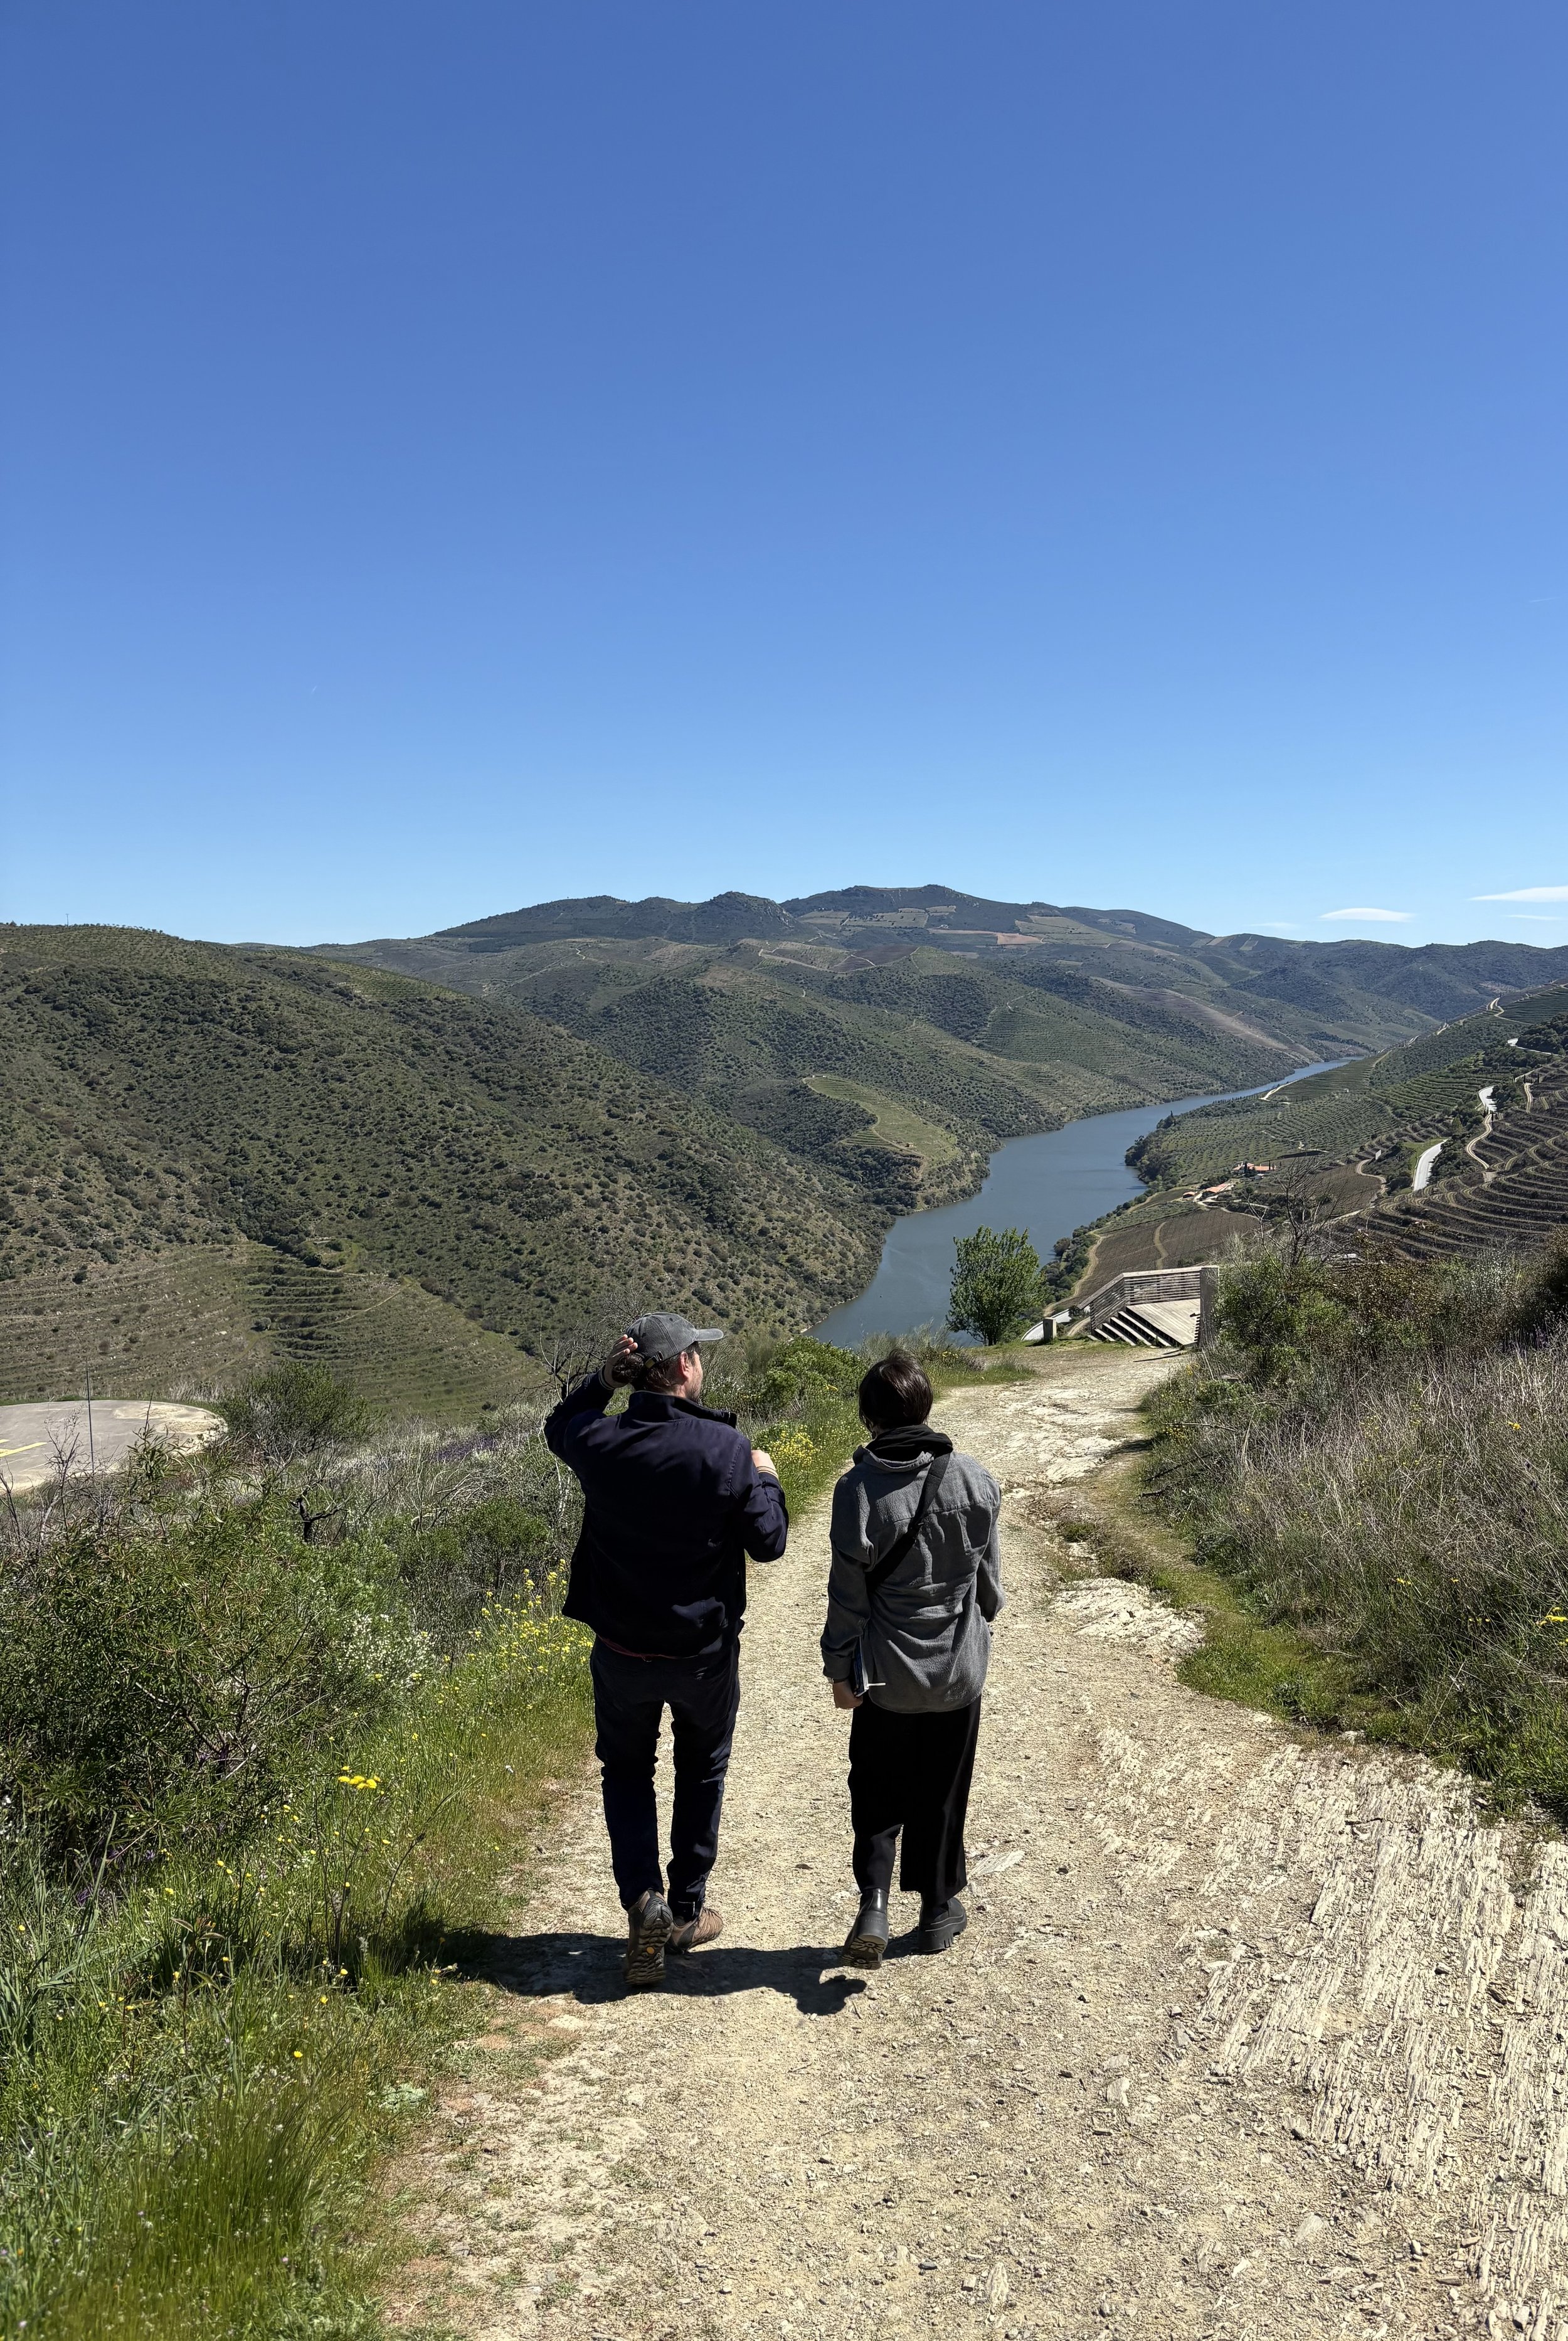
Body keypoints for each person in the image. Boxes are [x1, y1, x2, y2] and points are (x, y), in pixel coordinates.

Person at [545, 1312, 787, 1988]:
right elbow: (769, 1544)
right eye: (697, 1357)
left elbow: (557, 1428)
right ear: (683, 1366)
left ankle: (641, 1900)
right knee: (701, 1767)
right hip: (701, 1651)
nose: (701, 1366)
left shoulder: (600, 1441)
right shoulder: (726, 1450)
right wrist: (765, 1476)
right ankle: (683, 1911)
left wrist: (600, 1380)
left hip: (623, 1648)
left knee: (626, 1770)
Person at [820, 1351, 1003, 1962]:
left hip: (886, 1677)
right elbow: (990, 1594)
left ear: (869, 1418)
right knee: (942, 1790)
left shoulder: (855, 1492)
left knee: (874, 1788)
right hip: (956, 1672)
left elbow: (846, 1602)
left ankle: (873, 1902)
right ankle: (934, 1912)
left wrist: (840, 1671)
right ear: (924, 1407)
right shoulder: (974, 1479)